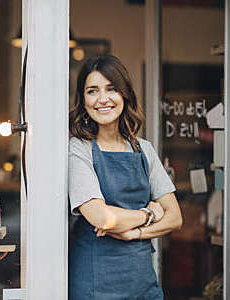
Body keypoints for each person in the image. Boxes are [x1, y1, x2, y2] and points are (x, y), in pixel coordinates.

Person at [68, 55, 182, 300]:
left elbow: (175, 218)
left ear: (125, 95)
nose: (102, 99)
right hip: (94, 282)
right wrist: (150, 214)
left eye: (111, 89)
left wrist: (136, 233)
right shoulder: (79, 149)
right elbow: (101, 217)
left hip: (142, 282)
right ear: (83, 100)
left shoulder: (144, 149)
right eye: (92, 91)